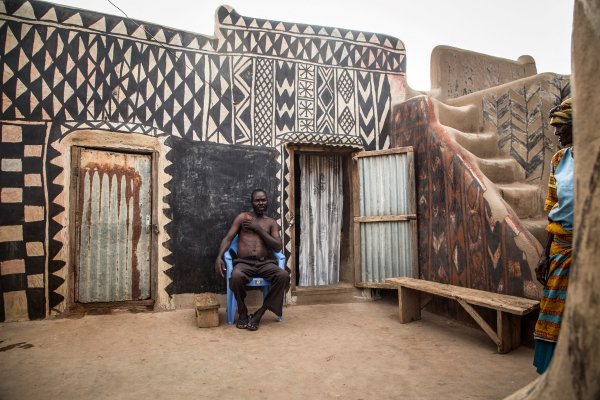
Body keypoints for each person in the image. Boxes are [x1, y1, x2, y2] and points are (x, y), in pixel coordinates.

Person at [533, 98, 574, 374]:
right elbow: (553, 209)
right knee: (552, 311)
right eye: (555, 127)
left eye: (562, 126)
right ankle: (553, 374)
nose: (557, 132)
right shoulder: (559, 160)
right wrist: (545, 254)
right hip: (561, 248)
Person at [215, 189, 289, 331]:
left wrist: (258, 229)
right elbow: (228, 238)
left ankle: (259, 313)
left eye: (263, 200)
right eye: (257, 200)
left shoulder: (271, 222)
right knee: (235, 276)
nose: (261, 203)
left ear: (267, 202)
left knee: (283, 276)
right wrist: (219, 257)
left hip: (264, 263)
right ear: (252, 202)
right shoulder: (243, 218)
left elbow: (278, 246)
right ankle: (242, 311)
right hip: (244, 263)